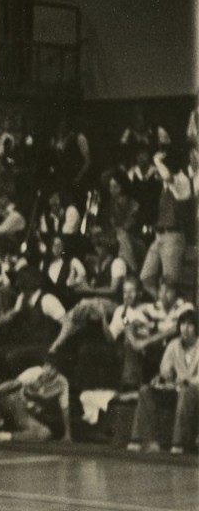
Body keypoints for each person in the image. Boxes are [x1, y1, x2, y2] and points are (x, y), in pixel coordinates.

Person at [128, 311, 199, 454]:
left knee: (186, 392)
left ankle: (178, 443)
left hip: (194, 392)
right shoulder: (173, 345)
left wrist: (187, 381)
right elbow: (165, 369)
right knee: (145, 391)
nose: (185, 329)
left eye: (190, 325)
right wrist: (163, 378)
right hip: (176, 389)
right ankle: (144, 440)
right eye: (183, 324)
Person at [0, 357, 72, 443]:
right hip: (15, 402)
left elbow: (65, 408)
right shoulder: (35, 372)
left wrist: (67, 434)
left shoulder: (62, 382)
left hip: (28, 415)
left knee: (45, 433)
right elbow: (14, 383)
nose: (48, 370)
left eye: (53, 368)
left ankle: (2, 436)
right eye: (47, 366)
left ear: (58, 371)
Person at [139, 151, 193, 297]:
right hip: (160, 237)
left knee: (170, 283)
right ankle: (162, 304)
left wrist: (157, 161)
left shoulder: (182, 180)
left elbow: (168, 177)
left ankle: (172, 311)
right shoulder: (165, 187)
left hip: (173, 237)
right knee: (146, 277)